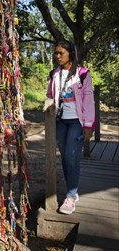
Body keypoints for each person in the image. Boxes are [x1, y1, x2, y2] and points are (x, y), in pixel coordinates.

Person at [46, 40, 96, 215]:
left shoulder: (82, 74)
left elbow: (89, 102)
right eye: (56, 53)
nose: (58, 56)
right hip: (60, 121)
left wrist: (89, 126)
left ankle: (70, 196)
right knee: (65, 158)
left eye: (61, 53)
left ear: (71, 55)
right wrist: (48, 104)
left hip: (77, 121)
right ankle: (72, 192)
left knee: (71, 156)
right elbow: (50, 95)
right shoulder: (54, 74)